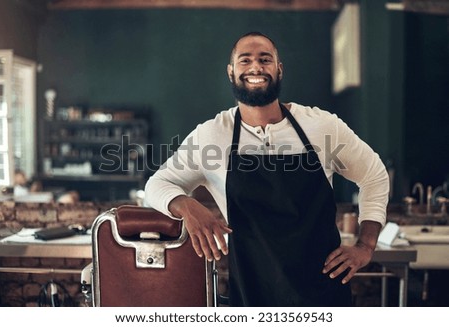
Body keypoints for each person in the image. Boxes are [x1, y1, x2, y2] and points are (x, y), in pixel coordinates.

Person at [145, 31, 389, 306]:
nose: (256, 67)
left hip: (323, 292)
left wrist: (365, 246)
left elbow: (374, 175)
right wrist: (187, 207)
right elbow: (156, 185)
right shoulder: (212, 135)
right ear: (231, 72)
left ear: (279, 69)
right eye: (245, 60)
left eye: (265, 59)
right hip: (252, 294)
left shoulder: (321, 126)